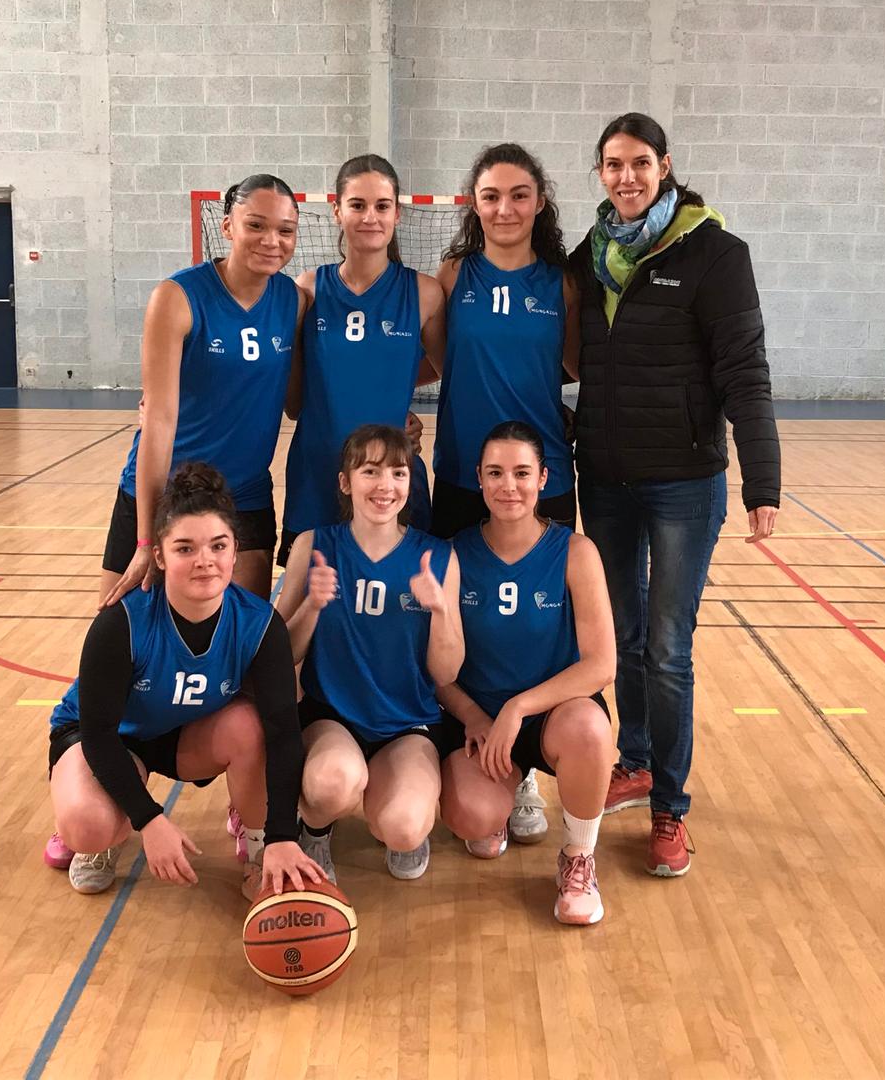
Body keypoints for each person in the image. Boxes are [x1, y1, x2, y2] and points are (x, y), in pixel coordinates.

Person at [570, 112, 781, 878]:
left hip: (685, 482)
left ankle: (670, 806)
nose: (625, 177)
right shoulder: (590, 257)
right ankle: (634, 761)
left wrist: (763, 479)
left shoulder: (716, 255)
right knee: (622, 636)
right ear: (600, 174)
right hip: (606, 478)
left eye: (639, 163)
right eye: (612, 164)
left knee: (667, 648)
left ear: (665, 166)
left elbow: (745, 373)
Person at [45, 463, 324, 898]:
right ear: (159, 556)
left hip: (184, 736)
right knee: (90, 825)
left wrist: (282, 835)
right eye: (185, 548)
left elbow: (284, 735)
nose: (204, 561)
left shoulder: (258, 625)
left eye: (218, 545)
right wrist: (150, 819)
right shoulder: (123, 624)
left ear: (235, 551)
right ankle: (105, 828)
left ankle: (258, 849)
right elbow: (98, 733)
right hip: (109, 739)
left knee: (250, 725)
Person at [431, 143, 578, 845]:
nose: (505, 208)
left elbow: (576, 364)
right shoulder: (454, 274)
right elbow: (434, 360)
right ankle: (459, 752)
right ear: (474, 204)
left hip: (539, 481)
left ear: (539, 202)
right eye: (491, 195)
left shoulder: (561, 283)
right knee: (459, 626)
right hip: (465, 474)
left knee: (536, 630)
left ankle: (522, 773)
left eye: (519, 195)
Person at [436, 421, 615, 925]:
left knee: (590, 729)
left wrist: (519, 708)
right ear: (478, 478)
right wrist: (476, 717)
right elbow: (436, 668)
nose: (508, 486)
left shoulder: (575, 552)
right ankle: (503, 793)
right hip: (479, 721)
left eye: (521, 473)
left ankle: (578, 857)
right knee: (473, 820)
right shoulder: (453, 553)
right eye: (495, 473)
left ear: (543, 478)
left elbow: (602, 664)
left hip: (550, 715)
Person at [102, 175, 303, 606]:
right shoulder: (178, 297)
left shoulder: (293, 299)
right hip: (166, 489)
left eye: (285, 230)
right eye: (256, 225)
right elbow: (158, 421)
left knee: (240, 632)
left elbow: (298, 401)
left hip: (243, 494)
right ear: (228, 225)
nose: (272, 241)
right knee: (121, 628)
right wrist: (146, 540)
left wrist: (392, 407)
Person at [275, 424, 464, 882]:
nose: (385, 485)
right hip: (332, 717)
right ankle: (315, 830)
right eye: (371, 471)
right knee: (332, 783)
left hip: (407, 722)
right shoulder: (314, 545)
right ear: (346, 482)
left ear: (410, 483)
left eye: (398, 473)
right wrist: (312, 606)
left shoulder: (438, 556)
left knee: (403, 828)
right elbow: (277, 654)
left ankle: (396, 805)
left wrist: (440, 612)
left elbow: (446, 672)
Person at [280, 155, 446, 565]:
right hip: (318, 472)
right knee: (316, 594)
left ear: (397, 214)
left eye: (382, 205)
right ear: (337, 211)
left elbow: (452, 373)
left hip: (391, 477)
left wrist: (394, 394)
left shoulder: (424, 293)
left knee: (400, 595)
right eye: (357, 205)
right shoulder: (308, 290)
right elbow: (295, 402)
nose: (370, 216)